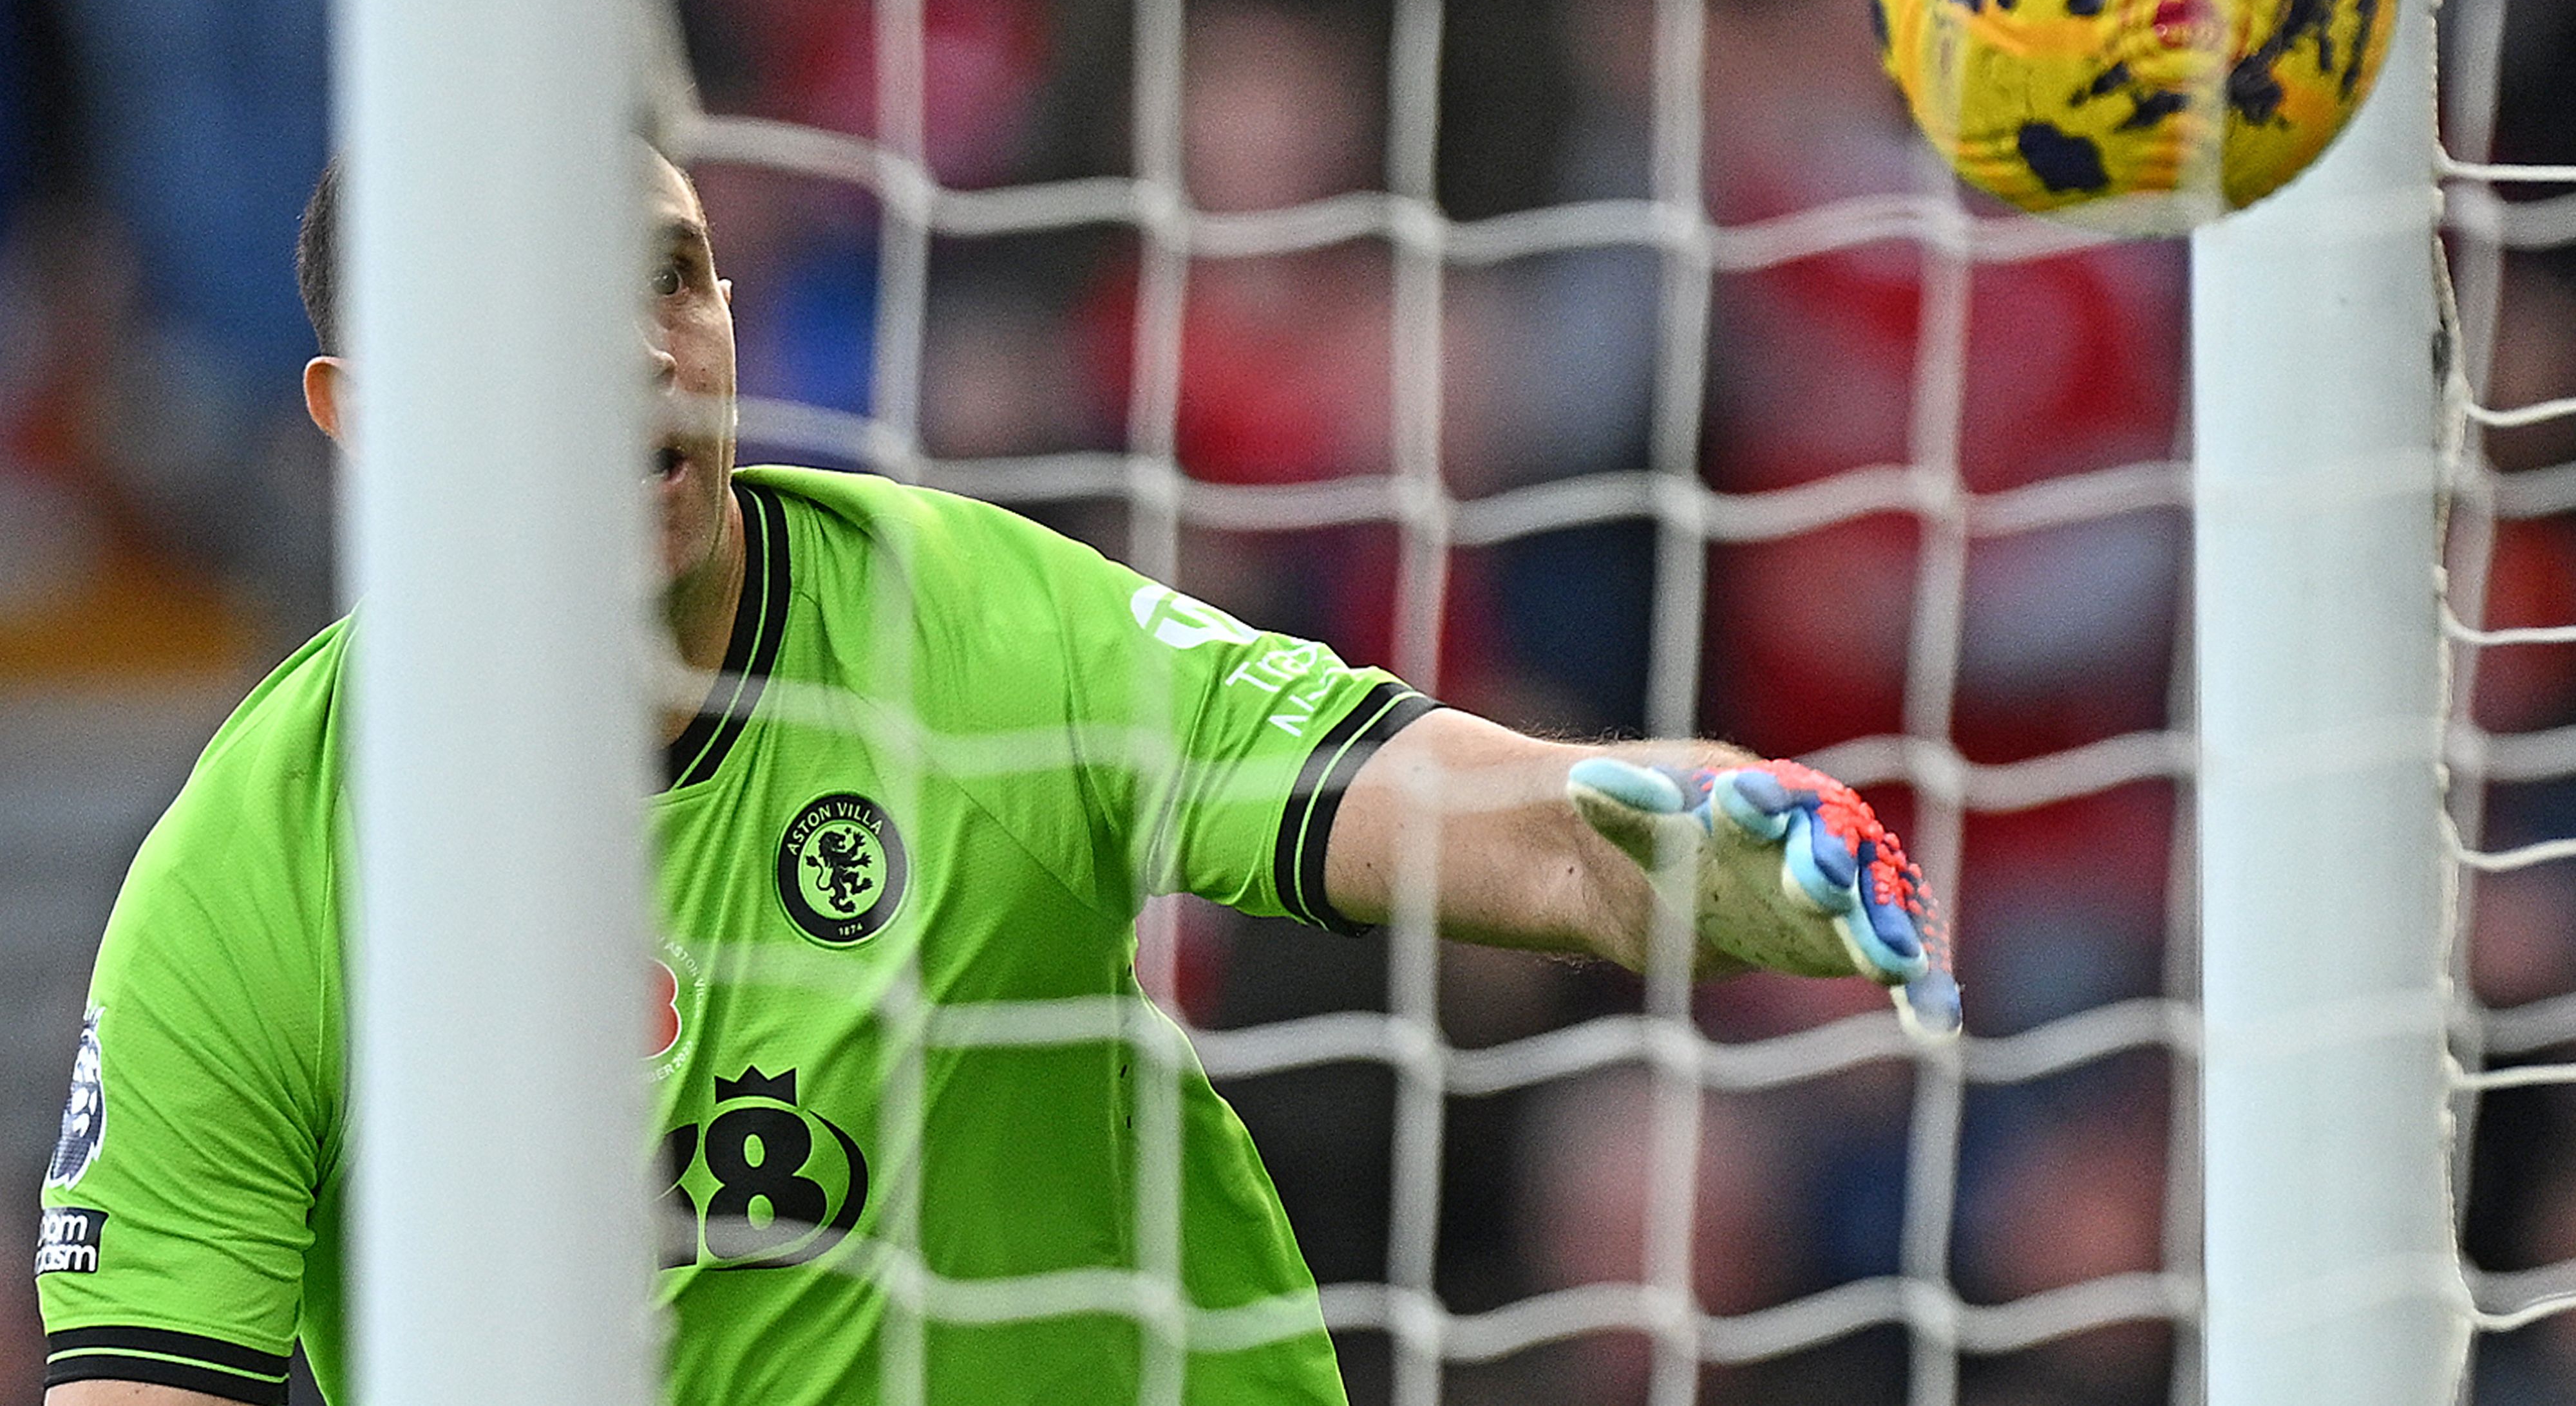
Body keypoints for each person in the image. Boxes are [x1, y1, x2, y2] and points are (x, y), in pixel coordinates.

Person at [32, 151, 1957, 1406]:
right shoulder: (252, 872)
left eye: (678, 278)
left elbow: (1481, 812)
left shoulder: (973, 619)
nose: (640, 355)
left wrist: (1707, 841)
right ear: (366, 420)